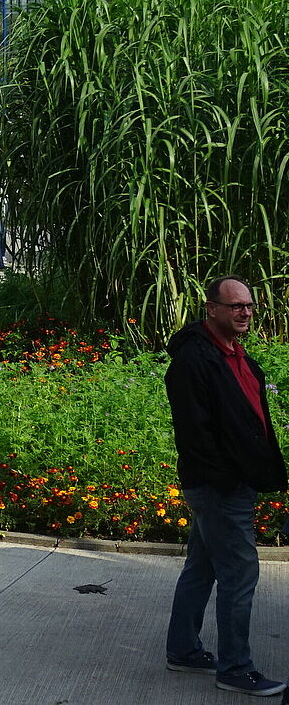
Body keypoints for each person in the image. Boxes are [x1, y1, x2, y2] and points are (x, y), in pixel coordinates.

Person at [163, 277, 287, 697]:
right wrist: (228, 480)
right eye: (235, 306)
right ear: (211, 309)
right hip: (219, 488)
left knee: (202, 566)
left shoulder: (235, 354)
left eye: (249, 306)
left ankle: (182, 650)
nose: (245, 312)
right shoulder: (194, 360)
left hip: (232, 484)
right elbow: (195, 435)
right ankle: (235, 668)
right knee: (240, 573)